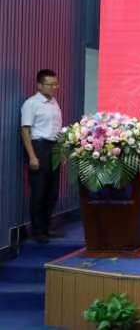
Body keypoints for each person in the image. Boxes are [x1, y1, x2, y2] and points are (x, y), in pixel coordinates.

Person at [20, 69, 63, 244]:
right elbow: (25, 130)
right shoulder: (31, 104)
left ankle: (46, 227)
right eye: (49, 84)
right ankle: (37, 231)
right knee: (39, 191)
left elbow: (57, 129)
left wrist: (61, 151)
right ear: (39, 85)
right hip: (38, 147)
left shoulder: (54, 103)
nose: (53, 87)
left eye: (55, 84)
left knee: (52, 191)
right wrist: (32, 156)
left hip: (54, 148)